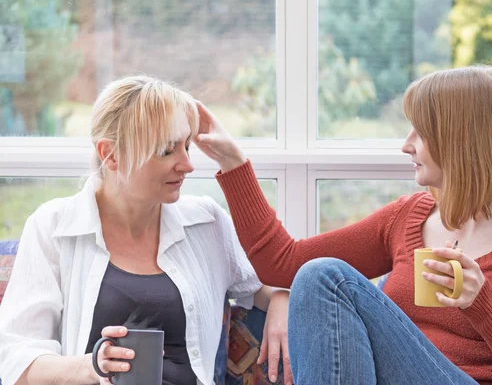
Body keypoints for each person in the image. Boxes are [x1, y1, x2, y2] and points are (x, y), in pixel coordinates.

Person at [194, 65, 492, 384]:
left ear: (460, 139)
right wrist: (233, 164)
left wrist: (484, 305)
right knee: (317, 275)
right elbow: (284, 262)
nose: (406, 144)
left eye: (420, 132)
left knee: (325, 275)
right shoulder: (409, 216)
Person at [0, 76, 292, 385]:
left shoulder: (206, 221)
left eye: (187, 146)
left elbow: (260, 284)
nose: (187, 165)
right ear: (110, 155)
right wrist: (91, 367)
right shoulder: (53, 227)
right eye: (167, 151)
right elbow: (15, 360)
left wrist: (282, 299)